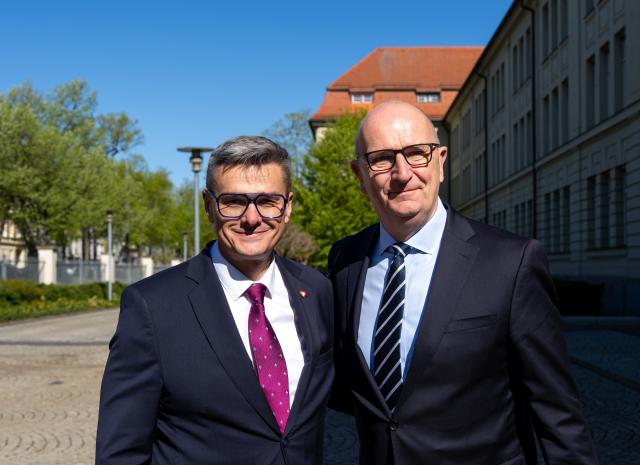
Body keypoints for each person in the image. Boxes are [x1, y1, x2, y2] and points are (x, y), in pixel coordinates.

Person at [328, 100, 598, 465]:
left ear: (441, 161)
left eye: (416, 154)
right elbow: (351, 389)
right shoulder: (345, 260)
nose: (402, 172)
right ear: (360, 175)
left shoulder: (510, 261)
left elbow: (556, 412)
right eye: (382, 159)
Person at [96, 136, 334, 465]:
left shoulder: (317, 291)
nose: (252, 218)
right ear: (209, 206)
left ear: (288, 207)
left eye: (267, 201)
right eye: (234, 202)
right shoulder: (151, 307)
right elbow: (121, 453)